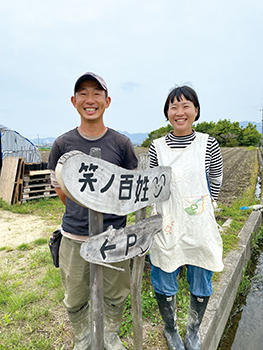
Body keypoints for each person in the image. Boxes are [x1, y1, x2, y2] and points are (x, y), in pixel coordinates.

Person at [48, 72, 138, 350]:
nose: (90, 100)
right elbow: (60, 190)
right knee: (75, 296)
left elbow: (131, 190)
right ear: (74, 101)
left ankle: (110, 335)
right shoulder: (62, 145)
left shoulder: (121, 144)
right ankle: (83, 338)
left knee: (116, 292)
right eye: (83, 93)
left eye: (97, 93)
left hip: (114, 237)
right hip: (74, 237)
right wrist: (81, 212)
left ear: (107, 101)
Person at [148, 85, 224, 350]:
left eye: (185, 105)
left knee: (201, 278)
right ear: (167, 113)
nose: (179, 112)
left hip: (198, 222)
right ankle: (171, 331)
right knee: (164, 275)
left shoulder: (208, 143)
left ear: (196, 110)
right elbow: (154, 186)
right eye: (173, 106)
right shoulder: (156, 147)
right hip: (167, 221)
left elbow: (215, 179)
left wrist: (204, 205)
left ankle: (192, 332)